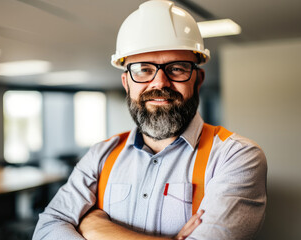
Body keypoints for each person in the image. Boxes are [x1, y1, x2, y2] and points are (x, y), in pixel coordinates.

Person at [33, 0, 267, 239]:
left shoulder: (236, 156)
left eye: (176, 68)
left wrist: (96, 228)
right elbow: (46, 230)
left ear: (198, 80)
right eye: (143, 69)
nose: (159, 83)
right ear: (126, 84)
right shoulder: (101, 155)